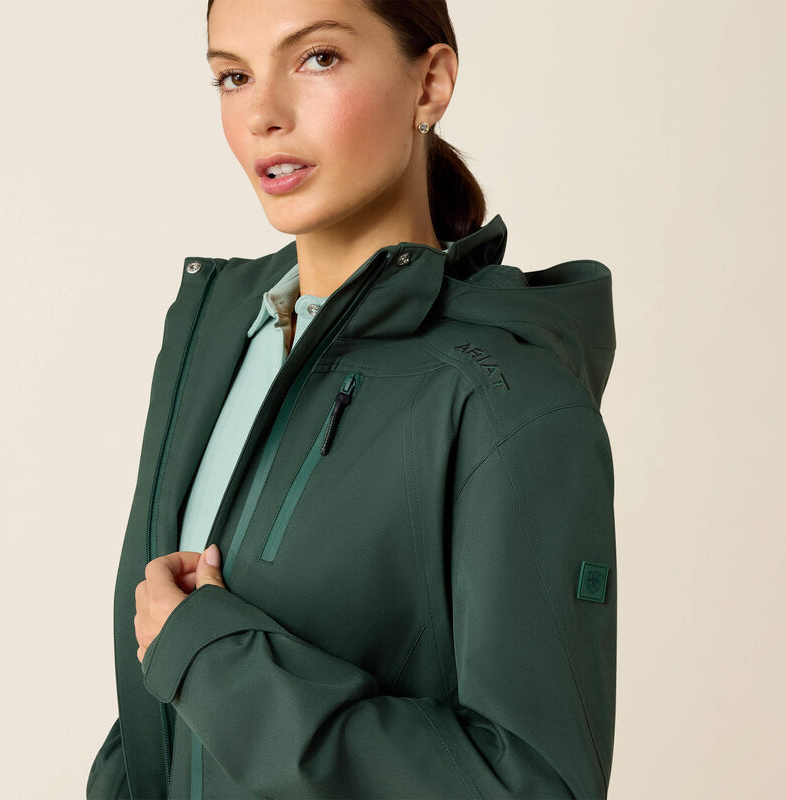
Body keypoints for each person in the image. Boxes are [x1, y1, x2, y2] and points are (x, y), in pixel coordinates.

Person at [86, 1, 618, 798]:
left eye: (318, 58)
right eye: (233, 76)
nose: (263, 115)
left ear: (430, 84)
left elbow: (536, 786)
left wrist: (217, 662)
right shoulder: (215, 334)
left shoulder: (506, 397)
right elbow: (158, 698)